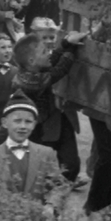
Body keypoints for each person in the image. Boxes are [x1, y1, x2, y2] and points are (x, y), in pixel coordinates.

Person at [8, 30, 88, 182]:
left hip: (53, 121)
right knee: (44, 166)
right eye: (44, 51)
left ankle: (61, 184)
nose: (48, 53)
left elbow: (54, 58)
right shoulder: (28, 82)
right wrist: (71, 48)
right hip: (39, 130)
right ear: (31, 61)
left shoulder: (34, 68)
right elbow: (60, 69)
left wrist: (66, 42)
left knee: (70, 163)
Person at [0, 92, 68, 209]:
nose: (23, 126)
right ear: (4, 123)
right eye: (17, 121)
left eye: (28, 122)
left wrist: (51, 206)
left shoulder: (46, 154)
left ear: (34, 124)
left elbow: (58, 186)